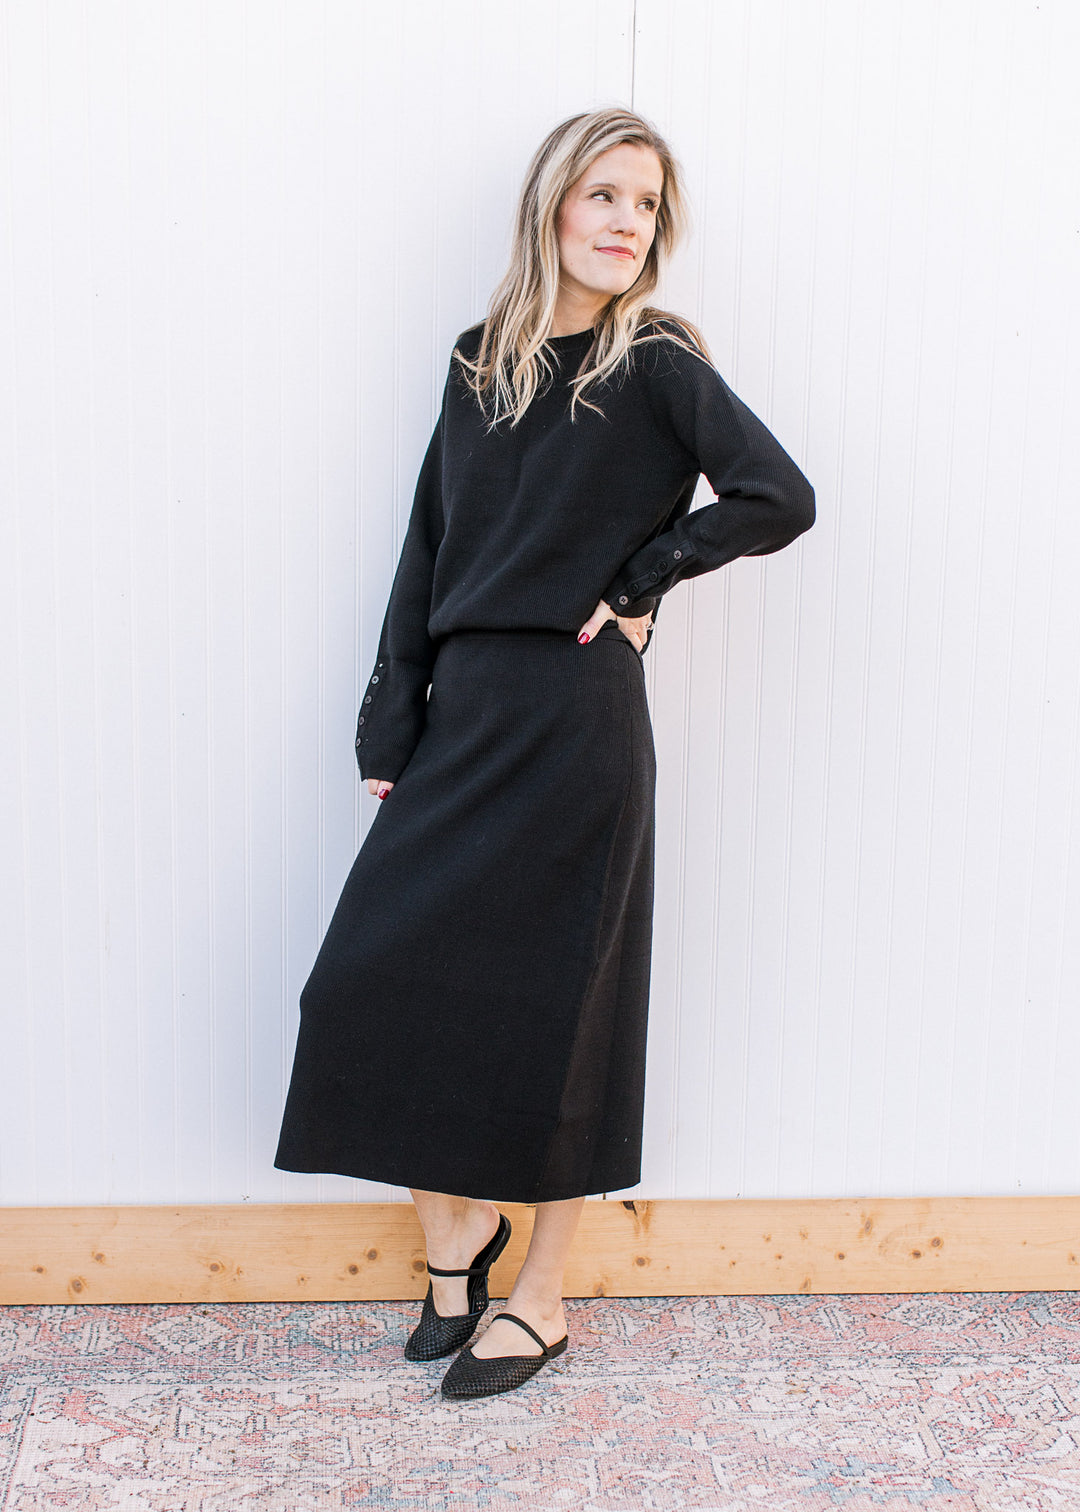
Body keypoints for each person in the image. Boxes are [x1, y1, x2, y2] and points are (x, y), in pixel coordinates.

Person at [274, 105, 815, 1400]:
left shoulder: (659, 363)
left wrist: (650, 576)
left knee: (564, 1012)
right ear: (553, 206)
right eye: (607, 196)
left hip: (577, 718)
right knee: (364, 983)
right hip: (466, 711)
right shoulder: (480, 360)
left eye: (648, 206)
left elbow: (778, 494)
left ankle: (543, 1296)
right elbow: (427, 546)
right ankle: (457, 1237)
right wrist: (389, 714)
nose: (628, 223)